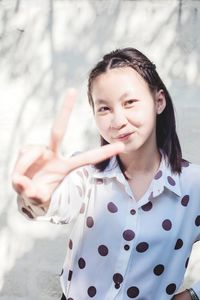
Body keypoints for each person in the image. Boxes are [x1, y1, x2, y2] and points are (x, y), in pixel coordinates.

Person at [12, 48, 200, 300]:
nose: (118, 120)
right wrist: (40, 197)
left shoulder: (193, 185)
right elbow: (58, 201)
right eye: (104, 108)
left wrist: (193, 295)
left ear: (159, 101)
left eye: (129, 102)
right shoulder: (85, 172)